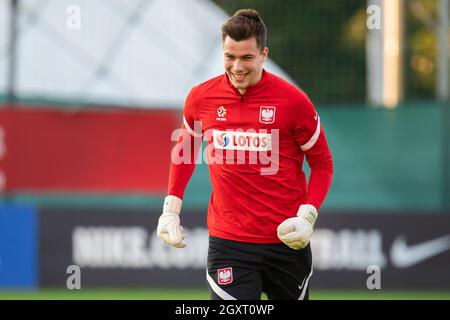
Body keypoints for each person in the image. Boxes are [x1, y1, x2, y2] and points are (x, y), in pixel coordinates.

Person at [157, 9, 333, 300]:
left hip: (287, 240)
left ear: (263, 55)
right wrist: (170, 211)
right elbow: (185, 153)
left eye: (246, 58)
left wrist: (307, 216)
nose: (237, 66)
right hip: (229, 243)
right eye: (230, 56)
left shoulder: (293, 101)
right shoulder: (201, 98)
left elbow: (323, 164)